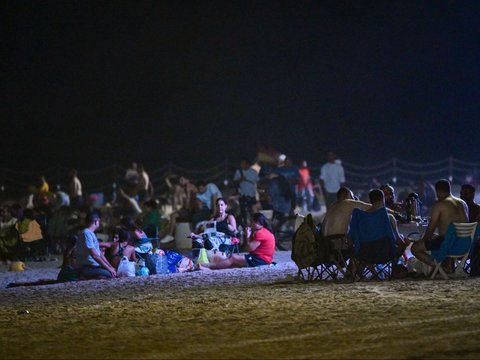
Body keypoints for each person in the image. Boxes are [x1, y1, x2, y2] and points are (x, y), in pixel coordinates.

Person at [411, 179, 468, 269]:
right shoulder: (462, 203)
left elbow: (431, 229)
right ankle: (448, 265)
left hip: (448, 244)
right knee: (435, 237)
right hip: (464, 244)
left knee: (414, 248)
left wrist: (422, 240)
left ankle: (440, 267)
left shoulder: (440, 204)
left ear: (437, 191)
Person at [199, 212, 275, 270]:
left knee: (233, 257)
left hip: (260, 260)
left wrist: (247, 236)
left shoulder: (260, 233)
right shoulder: (264, 231)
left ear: (257, 223)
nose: (250, 224)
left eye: (252, 222)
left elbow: (249, 248)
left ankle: (209, 266)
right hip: (262, 258)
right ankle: (214, 266)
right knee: (234, 262)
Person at [367, 189, 408, 257]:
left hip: (364, 252)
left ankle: (370, 267)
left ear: (370, 201)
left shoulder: (361, 216)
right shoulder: (389, 217)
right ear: (383, 199)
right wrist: (406, 242)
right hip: (384, 253)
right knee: (403, 241)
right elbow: (398, 240)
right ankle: (395, 265)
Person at [74, 212, 116, 279]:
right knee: (109, 274)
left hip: (93, 267)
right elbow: (94, 255)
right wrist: (109, 268)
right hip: (87, 267)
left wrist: (110, 266)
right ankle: (85, 276)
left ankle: (90, 276)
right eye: (99, 221)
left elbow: (100, 254)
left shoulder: (91, 234)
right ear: (96, 222)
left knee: (112, 272)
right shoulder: (86, 233)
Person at [233, 159, 259, 226]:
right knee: (243, 212)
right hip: (242, 195)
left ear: (247, 164)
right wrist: (240, 179)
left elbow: (257, 182)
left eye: (243, 163)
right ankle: (245, 225)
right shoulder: (239, 172)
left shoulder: (253, 172)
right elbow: (235, 182)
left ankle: (254, 224)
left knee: (253, 211)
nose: (241, 165)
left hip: (252, 195)